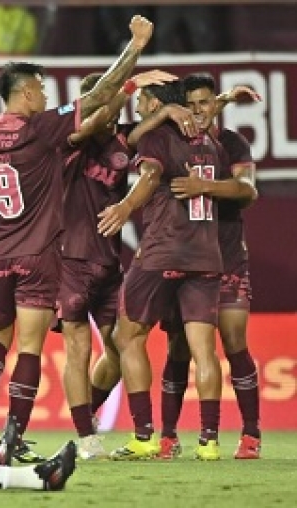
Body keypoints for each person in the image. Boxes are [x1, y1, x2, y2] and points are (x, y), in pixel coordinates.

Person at [0, 14, 154, 465]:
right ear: (28, 92)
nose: (47, 95)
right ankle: (12, 436)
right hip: (39, 257)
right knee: (30, 347)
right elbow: (96, 96)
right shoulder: (39, 129)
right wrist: (133, 49)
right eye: (42, 88)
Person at [56, 70, 193, 460]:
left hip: (110, 263)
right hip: (71, 259)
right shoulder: (71, 141)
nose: (114, 112)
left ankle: (99, 416)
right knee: (78, 348)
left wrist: (167, 106)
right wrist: (131, 84)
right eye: (103, 102)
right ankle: (85, 436)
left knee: (121, 347)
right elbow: (98, 117)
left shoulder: (122, 139)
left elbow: (141, 131)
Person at [97, 79, 225, 461]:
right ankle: (209, 441)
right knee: (204, 351)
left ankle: (144, 435)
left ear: (156, 103)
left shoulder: (158, 138)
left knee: (127, 336)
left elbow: (150, 175)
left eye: (142, 101)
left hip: (163, 253)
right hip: (206, 256)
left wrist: (124, 207)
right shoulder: (212, 144)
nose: (137, 108)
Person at [158, 74, 261, 460]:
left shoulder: (232, 143)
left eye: (205, 103)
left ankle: (251, 434)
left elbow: (247, 190)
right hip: (184, 262)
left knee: (234, 343)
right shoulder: (172, 143)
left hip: (228, 259)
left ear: (215, 104)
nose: (198, 112)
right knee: (178, 349)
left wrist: (204, 187)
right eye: (191, 104)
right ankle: (168, 436)